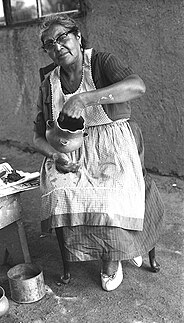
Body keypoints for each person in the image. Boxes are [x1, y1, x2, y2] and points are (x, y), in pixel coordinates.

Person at [33, 14, 164, 291]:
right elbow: (36, 137)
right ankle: (113, 245)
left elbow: (138, 86)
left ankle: (112, 257)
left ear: (78, 37)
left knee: (111, 190)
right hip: (72, 152)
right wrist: (55, 155)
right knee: (62, 190)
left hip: (114, 143)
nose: (57, 47)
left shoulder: (101, 62)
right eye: (49, 44)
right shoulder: (49, 84)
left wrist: (85, 98)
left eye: (62, 37)